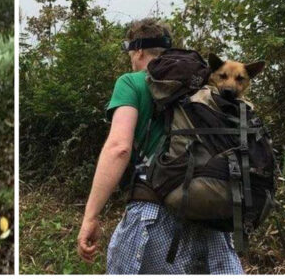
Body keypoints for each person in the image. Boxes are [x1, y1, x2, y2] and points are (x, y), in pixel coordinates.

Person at [76, 18, 243, 274]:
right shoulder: (204, 87)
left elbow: (119, 148)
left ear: (138, 50)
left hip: (152, 215)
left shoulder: (131, 82)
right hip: (208, 214)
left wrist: (90, 216)